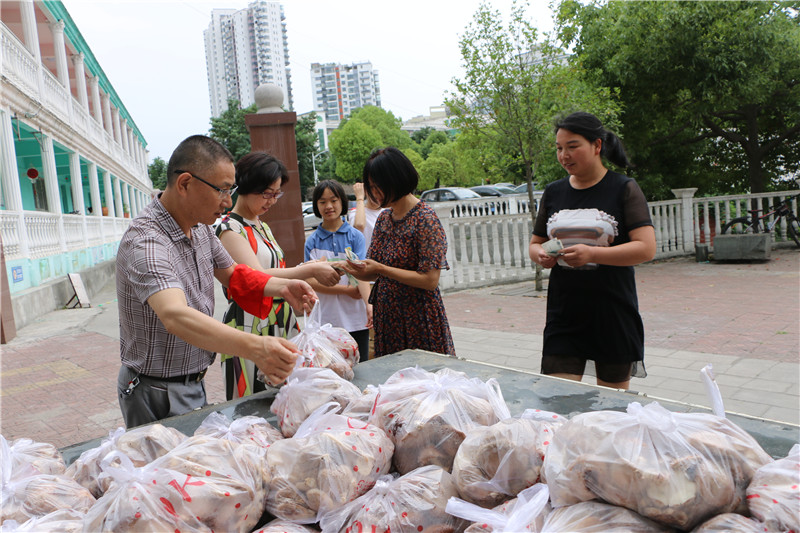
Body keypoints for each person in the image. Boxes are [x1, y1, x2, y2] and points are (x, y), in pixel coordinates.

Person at [116, 135, 316, 428]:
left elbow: (235, 274)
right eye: (222, 190)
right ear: (185, 183)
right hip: (155, 390)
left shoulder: (200, 229)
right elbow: (176, 315)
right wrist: (256, 348)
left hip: (191, 380)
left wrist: (283, 288)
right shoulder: (147, 242)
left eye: (230, 189)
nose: (227, 200)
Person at [528, 112, 656, 390]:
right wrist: (540, 255)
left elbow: (646, 248)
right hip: (564, 312)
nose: (564, 155)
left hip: (612, 311)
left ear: (597, 146)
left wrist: (592, 254)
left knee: (610, 411)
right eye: (559, 148)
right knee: (559, 399)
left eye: (573, 146)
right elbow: (535, 243)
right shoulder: (554, 192)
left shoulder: (623, 188)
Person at [216, 152, 339, 400]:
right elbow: (256, 276)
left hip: (280, 320)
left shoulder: (262, 226)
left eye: (276, 194)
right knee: (252, 402)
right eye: (267, 193)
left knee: (286, 399)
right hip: (249, 323)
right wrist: (310, 269)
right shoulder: (229, 228)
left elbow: (276, 270)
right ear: (246, 187)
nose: (272, 200)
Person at [341, 147, 455, 357]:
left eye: (378, 186)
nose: (374, 193)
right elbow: (372, 270)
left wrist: (382, 269)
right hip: (388, 318)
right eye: (371, 187)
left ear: (396, 180)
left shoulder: (425, 219)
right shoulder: (385, 218)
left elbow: (430, 280)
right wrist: (348, 268)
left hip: (418, 319)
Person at [304, 180, 372, 361]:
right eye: (322, 202)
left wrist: (369, 304)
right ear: (316, 206)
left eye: (333, 200)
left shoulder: (355, 237)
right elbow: (311, 281)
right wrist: (346, 290)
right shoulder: (312, 242)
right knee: (333, 372)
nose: (329, 206)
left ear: (342, 202)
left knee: (362, 369)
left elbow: (362, 273)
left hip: (357, 320)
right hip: (327, 322)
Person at [347, 181, 385, 360]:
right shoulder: (357, 212)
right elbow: (359, 227)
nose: (378, 196)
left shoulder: (387, 212)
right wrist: (360, 199)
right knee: (372, 337)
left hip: (386, 278)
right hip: (367, 281)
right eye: (373, 191)